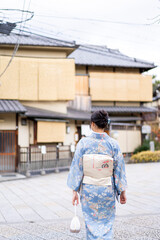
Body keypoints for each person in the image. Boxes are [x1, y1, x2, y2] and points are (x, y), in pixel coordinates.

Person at [67, 110, 127, 239]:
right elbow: (119, 169)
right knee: (107, 223)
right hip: (107, 189)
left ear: (92, 124)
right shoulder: (113, 144)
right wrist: (122, 191)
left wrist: (74, 191)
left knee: (90, 222)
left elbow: (77, 169)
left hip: (89, 190)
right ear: (105, 124)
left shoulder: (83, 143)